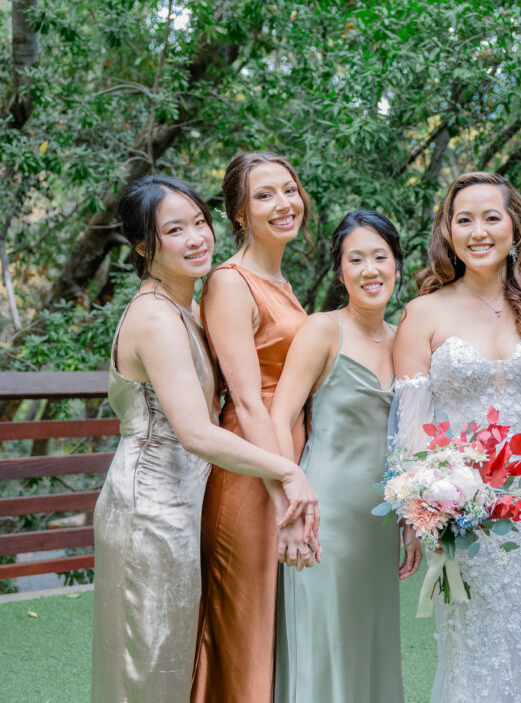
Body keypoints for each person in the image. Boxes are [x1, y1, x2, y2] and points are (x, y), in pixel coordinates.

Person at [92, 175, 317, 703]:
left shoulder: (187, 308)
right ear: (145, 246)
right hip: (148, 505)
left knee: (176, 659)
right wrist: (285, 469)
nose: (196, 238)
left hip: (184, 500)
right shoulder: (154, 318)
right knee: (147, 664)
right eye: (175, 230)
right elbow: (195, 431)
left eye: (199, 223)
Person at [392, 171, 521, 703]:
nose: (478, 230)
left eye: (491, 217)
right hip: (462, 505)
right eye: (463, 219)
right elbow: (411, 424)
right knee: (472, 637)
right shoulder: (423, 313)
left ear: (515, 226)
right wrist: (418, 511)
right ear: (447, 231)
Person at [270, 210, 423, 702]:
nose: (369, 269)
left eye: (380, 257)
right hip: (324, 513)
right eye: (355, 259)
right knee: (326, 643)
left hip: (380, 521)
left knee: (370, 643)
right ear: (340, 272)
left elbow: (408, 437)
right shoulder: (322, 330)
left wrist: (411, 519)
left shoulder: (405, 340)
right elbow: (279, 419)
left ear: (397, 265)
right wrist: (290, 501)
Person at [192, 152, 313, 702]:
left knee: (276, 630)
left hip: (285, 473)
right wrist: (284, 488)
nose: (284, 203)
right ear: (239, 213)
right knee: (244, 631)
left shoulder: (281, 280)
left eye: (289, 190)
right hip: (251, 475)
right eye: (265, 195)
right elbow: (245, 399)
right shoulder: (230, 283)